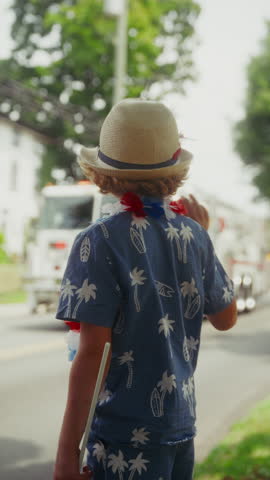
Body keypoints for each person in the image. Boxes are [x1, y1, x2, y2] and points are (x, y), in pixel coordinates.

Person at [54, 99, 237, 480]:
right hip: (179, 429)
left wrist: (66, 456)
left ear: (105, 173)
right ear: (174, 171)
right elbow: (226, 318)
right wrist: (203, 236)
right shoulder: (195, 235)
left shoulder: (98, 240)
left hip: (122, 442)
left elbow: (93, 354)